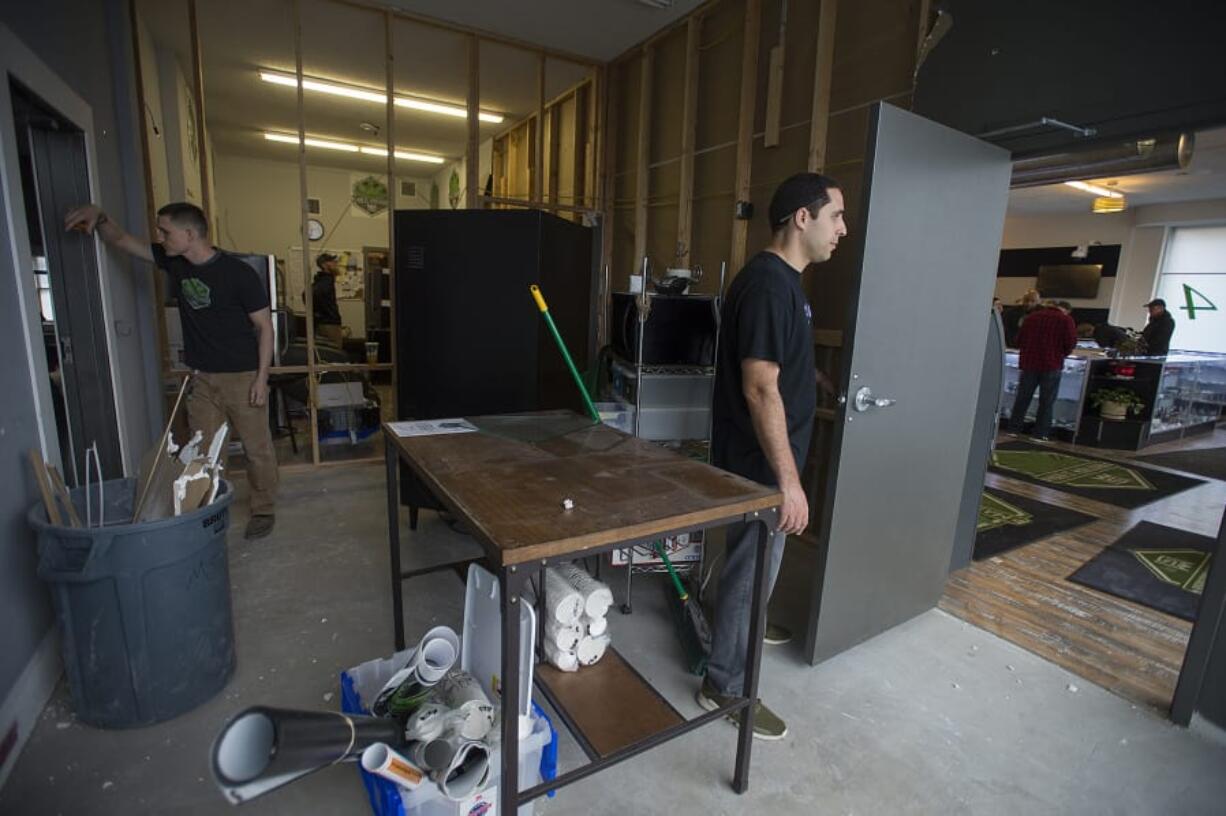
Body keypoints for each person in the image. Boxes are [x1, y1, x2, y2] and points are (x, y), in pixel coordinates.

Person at [700, 172, 846, 741]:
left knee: (754, 567)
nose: (842, 229)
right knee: (752, 567)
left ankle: (742, 625)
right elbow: (759, 386)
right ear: (801, 218)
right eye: (835, 216)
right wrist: (789, 482)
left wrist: (810, 377)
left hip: (765, 459)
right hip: (759, 465)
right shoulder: (767, 285)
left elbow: (773, 364)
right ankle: (725, 684)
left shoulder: (785, 285)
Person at [63, 202, 279, 539]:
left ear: (190, 234)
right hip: (202, 377)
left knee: (257, 448)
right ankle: (207, 509)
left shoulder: (239, 274)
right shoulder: (174, 261)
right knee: (204, 451)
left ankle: (263, 509)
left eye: (166, 231)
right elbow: (120, 240)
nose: (160, 237)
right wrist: (102, 217)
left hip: (243, 376)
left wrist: (261, 378)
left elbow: (265, 327)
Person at [1006, 300, 1076, 441]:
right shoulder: (1065, 320)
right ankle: (1041, 433)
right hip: (1052, 364)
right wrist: (1062, 354)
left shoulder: (1031, 318)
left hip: (1029, 363)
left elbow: (1019, 340)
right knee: (1047, 401)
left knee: (1022, 398)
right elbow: (1070, 342)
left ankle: (1014, 428)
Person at [312, 253, 344, 348]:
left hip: (323, 322)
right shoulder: (326, 282)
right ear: (324, 265)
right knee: (335, 355)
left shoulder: (320, 281)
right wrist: (328, 313)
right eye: (332, 261)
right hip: (330, 324)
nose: (335, 264)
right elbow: (315, 295)